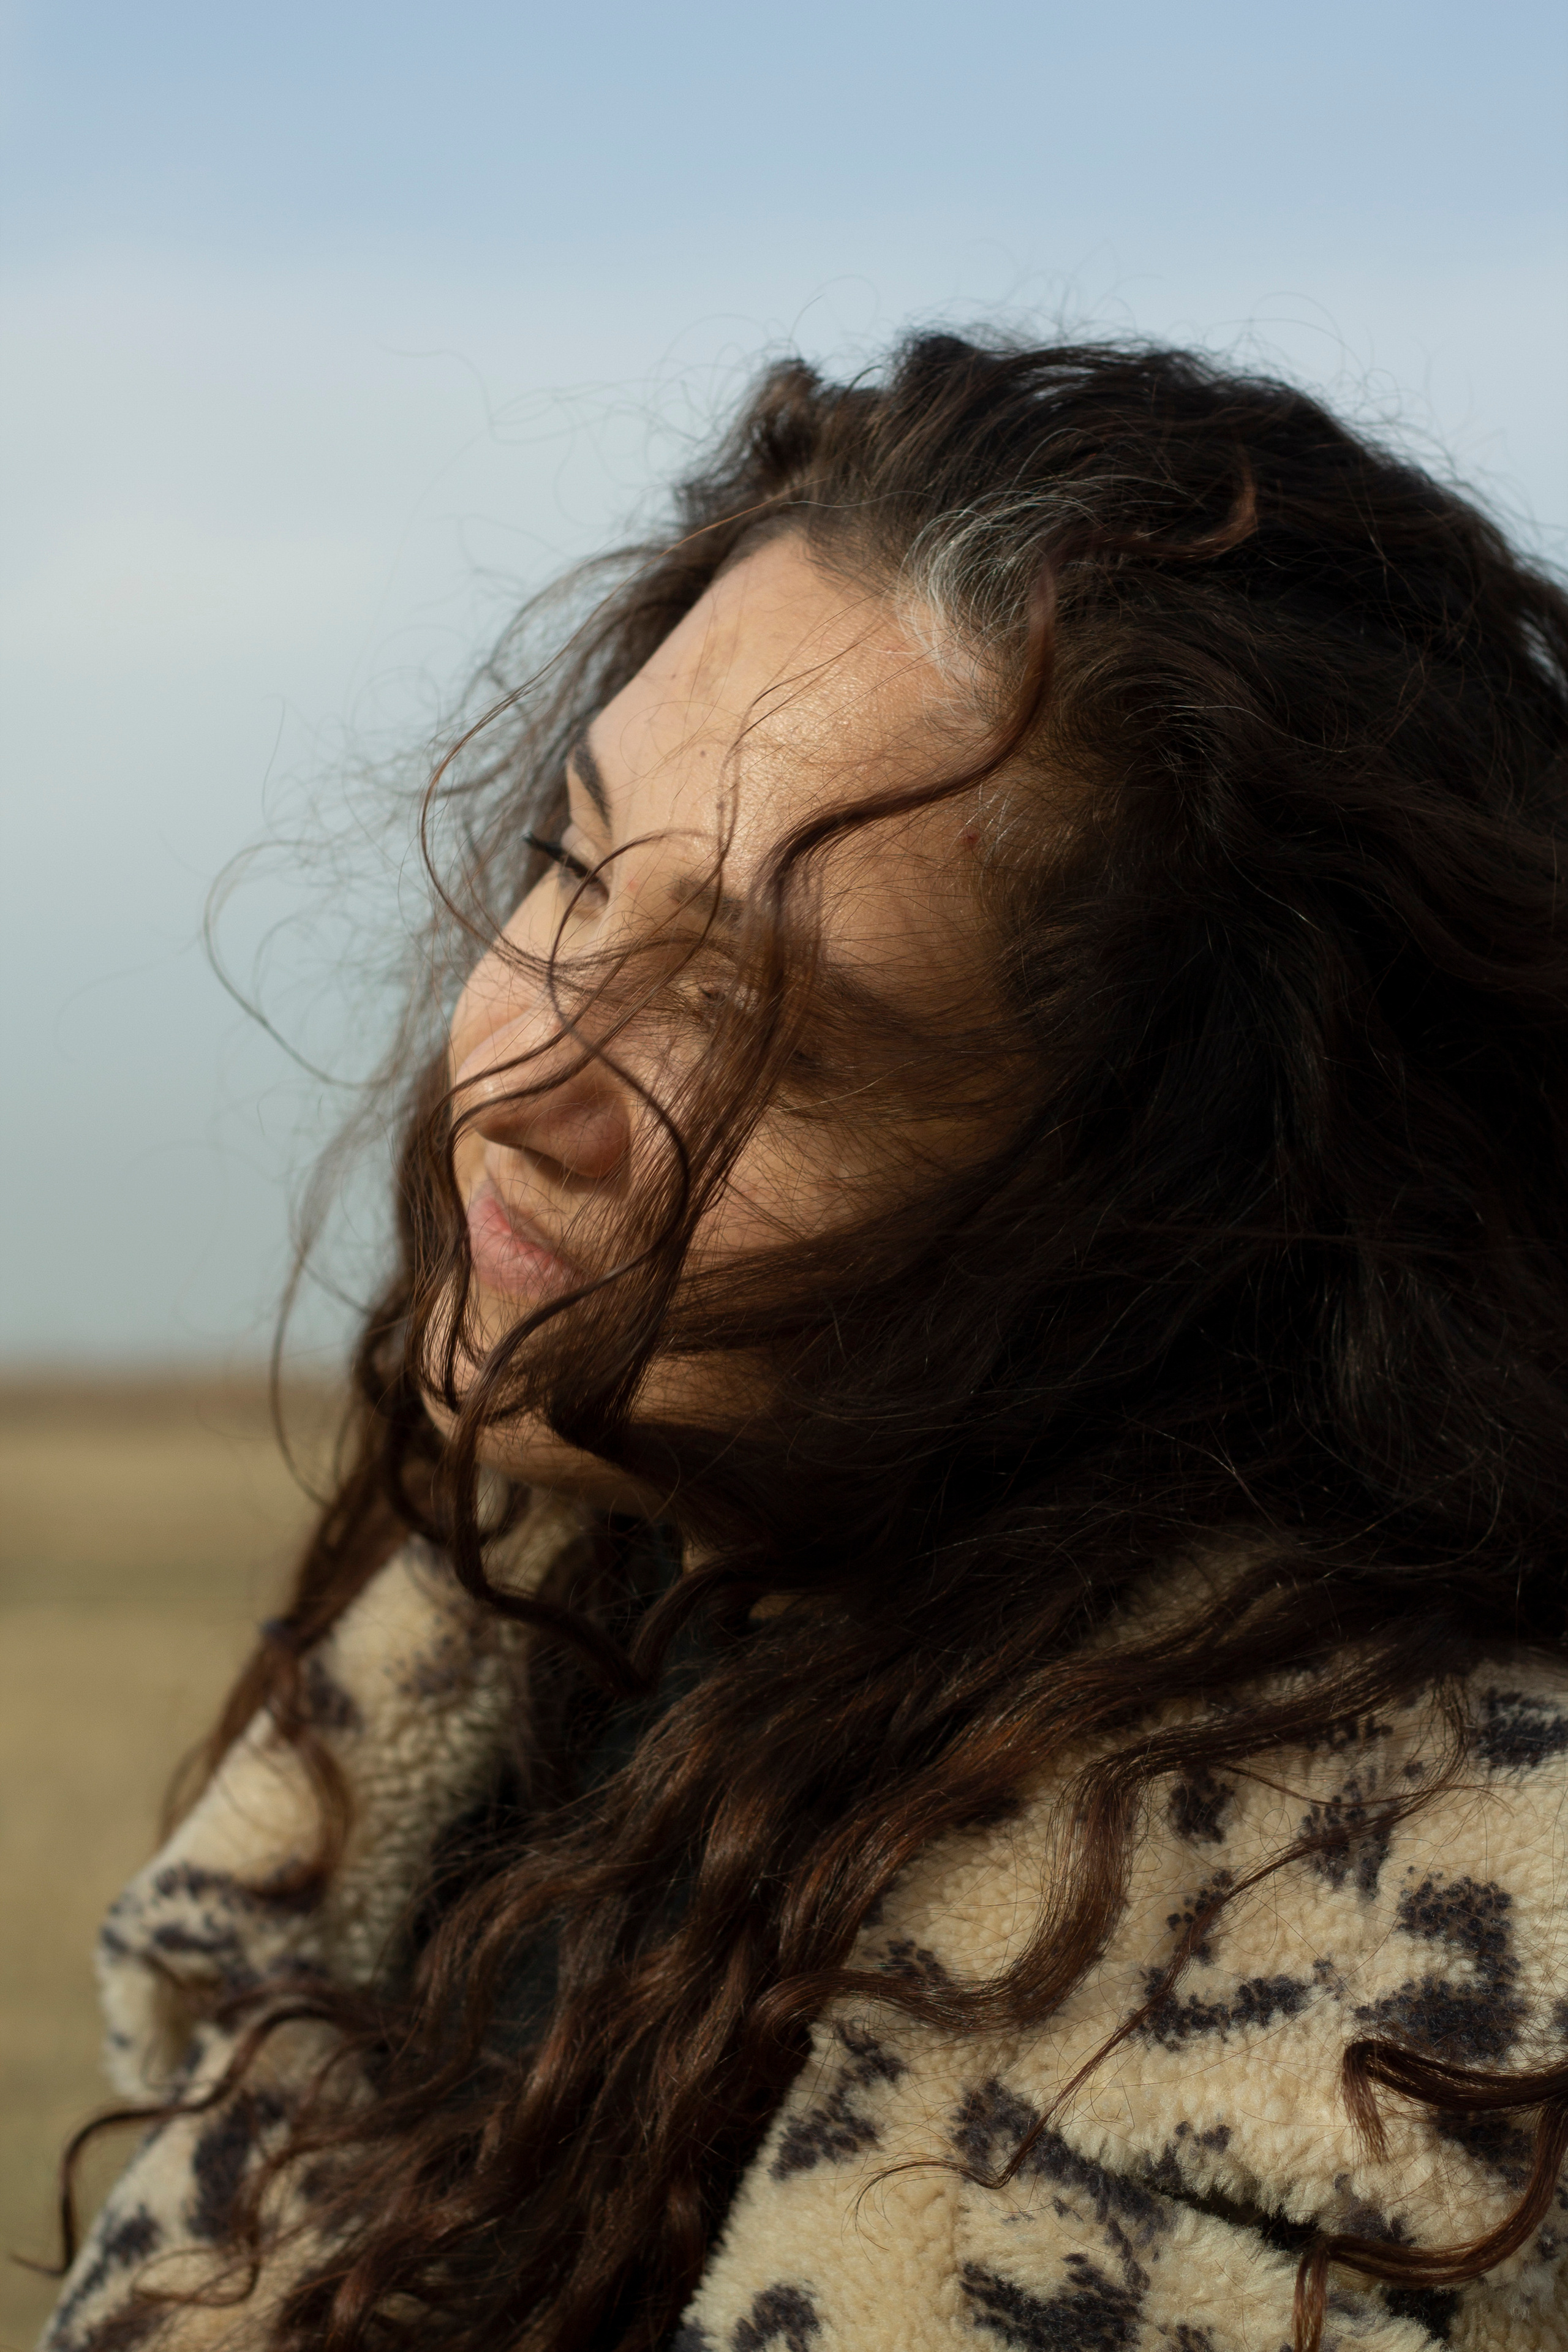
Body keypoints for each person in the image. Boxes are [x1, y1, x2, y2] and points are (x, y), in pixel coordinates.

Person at [41, 331, 1568, 2352]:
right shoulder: (500, 1695)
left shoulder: (1406, 2042)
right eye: (573, 866)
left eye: (771, 1035)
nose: (521, 1079)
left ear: (1160, 1233)